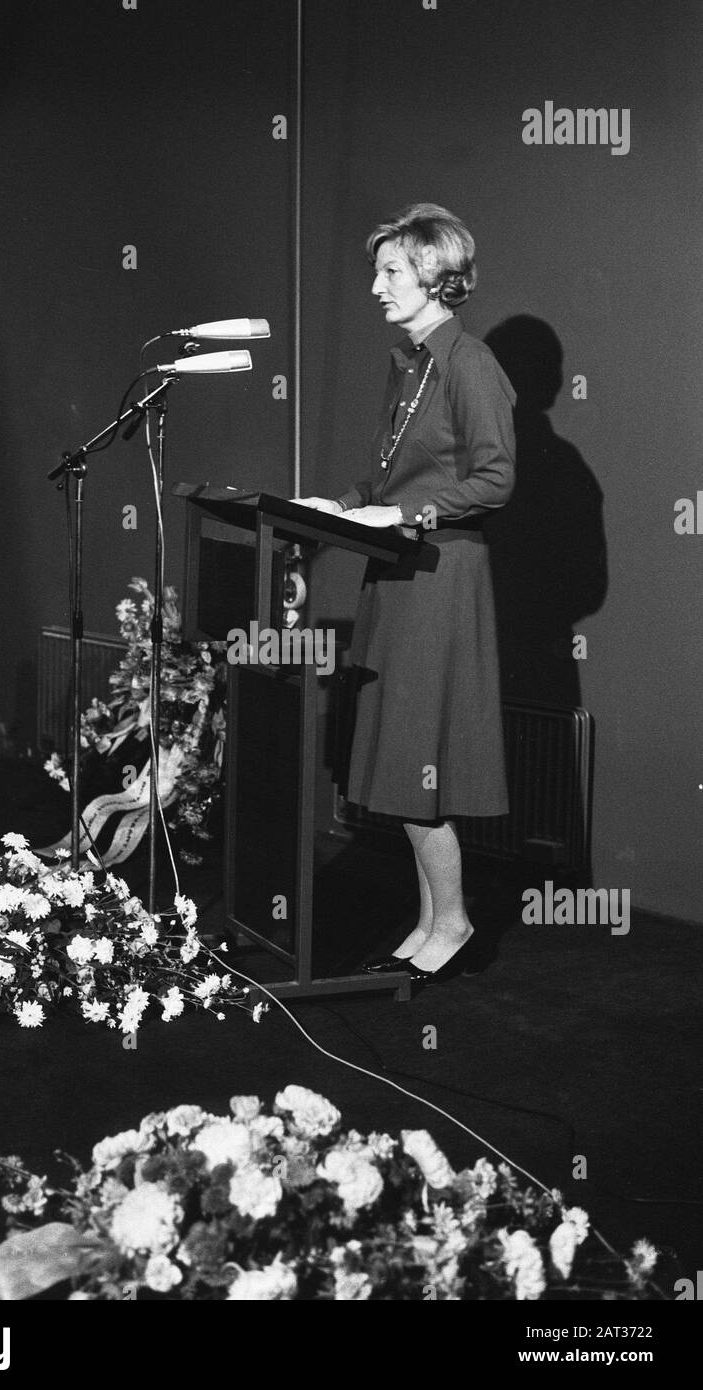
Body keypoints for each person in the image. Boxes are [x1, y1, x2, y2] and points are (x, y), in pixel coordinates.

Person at [295, 203, 515, 987]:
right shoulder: (412, 364)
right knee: (401, 762)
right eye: (378, 271)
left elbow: (495, 479)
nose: (377, 286)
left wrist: (406, 513)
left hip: (440, 580)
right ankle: (431, 920)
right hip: (397, 576)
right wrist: (343, 506)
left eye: (391, 271)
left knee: (420, 760)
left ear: (433, 273)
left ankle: (453, 922)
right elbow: (394, 477)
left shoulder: (470, 364)